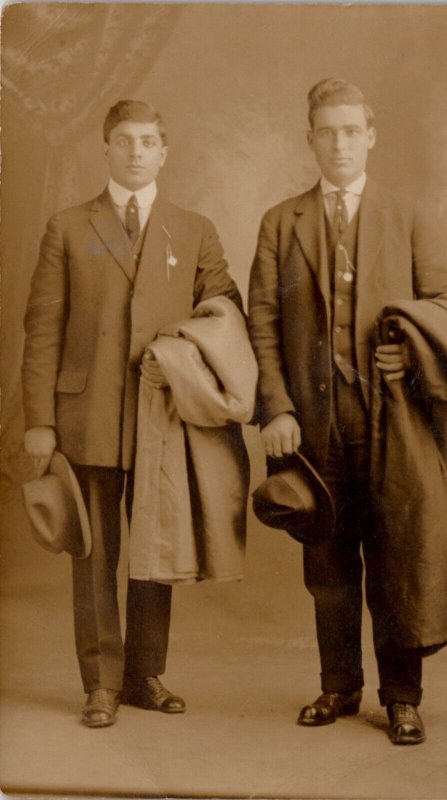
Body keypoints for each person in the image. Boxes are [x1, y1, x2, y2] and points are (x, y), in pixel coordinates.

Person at [247, 78, 447, 745]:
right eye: (326, 131)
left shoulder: (406, 215)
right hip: (310, 425)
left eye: (351, 130)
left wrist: (413, 358)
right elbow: (264, 324)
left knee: (398, 558)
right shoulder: (281, 222)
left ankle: (402, 697)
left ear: (371, 136)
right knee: (327, 564)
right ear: (310, 139)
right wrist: (275, 407)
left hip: (395, 422)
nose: (339, 143)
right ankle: (338, 686)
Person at [22, 100, 243, 728]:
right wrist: (40, 418)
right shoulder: (67, 226)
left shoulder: (193, 228)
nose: (137, 152)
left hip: (160, 414)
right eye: (125, 141)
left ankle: (145, 673)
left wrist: (178, 357)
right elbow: (42, 329)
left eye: (148, 142)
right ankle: (101, 681)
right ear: (107, 149)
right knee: (93, 553)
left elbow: (224, 313)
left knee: (154, 546)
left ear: (164, 151)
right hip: (85, 414)